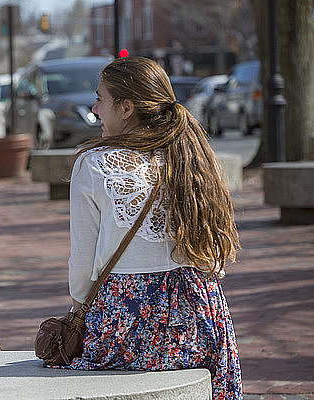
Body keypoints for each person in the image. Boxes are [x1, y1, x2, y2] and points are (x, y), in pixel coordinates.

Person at [60, 57, 242, 399]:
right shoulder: (195, 158)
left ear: (127, 108)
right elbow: (215, 259)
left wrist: (82, 308)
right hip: (198, 307)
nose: (95, 108)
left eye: (101, 98)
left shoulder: (94, 164)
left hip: (126, 314)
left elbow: (82, 268)